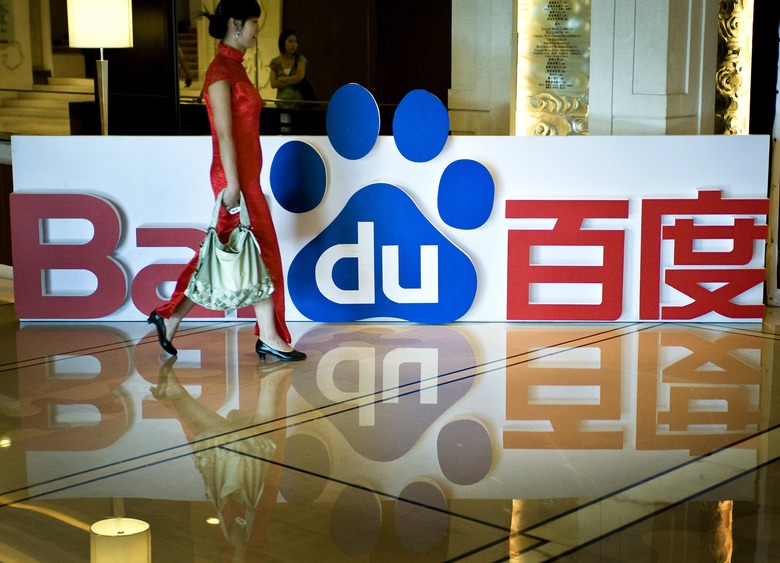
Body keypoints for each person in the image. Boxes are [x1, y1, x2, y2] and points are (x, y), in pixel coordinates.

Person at [147, 0, 305, 362]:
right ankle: (268, 335)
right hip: (233, 179)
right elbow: (224, 132)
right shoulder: (220, 72)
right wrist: (233, 185)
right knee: (256, 253)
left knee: (230, 253)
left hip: (244, 177)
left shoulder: (235, 68)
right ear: (235, 23)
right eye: (253, 23)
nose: (256, 30)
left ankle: (170, 316)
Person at [268, 29, 310, 105]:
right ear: (283, 42)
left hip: (298, 103)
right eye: (290, 41)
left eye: (296, 42)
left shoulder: (300, 59)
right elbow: (273, 84)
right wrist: (292, 80)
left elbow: (299, 77)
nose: (294, 45)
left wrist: (282, 79)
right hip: (281, 103)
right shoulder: (275, 62)